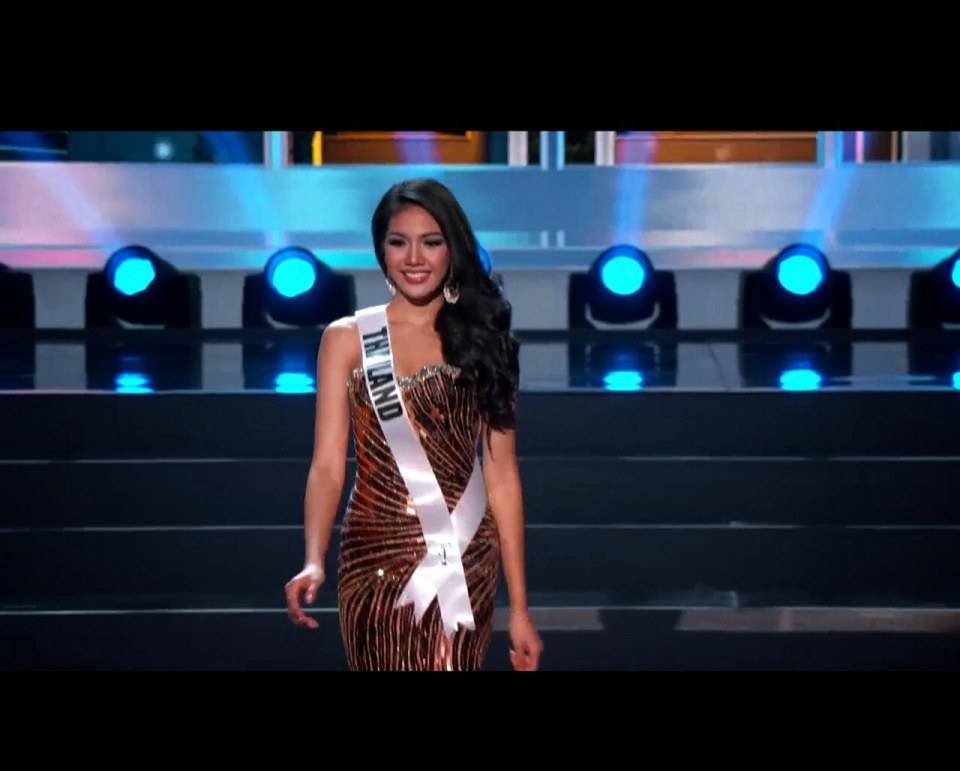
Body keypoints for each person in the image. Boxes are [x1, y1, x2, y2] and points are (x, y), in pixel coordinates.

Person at [284, 178, 542, 671]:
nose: (414, 258)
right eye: (399, 242)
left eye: (431, 241)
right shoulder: (347, 339)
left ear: (453, 249)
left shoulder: (484, 340)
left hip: (465, 559)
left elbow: (503, 479)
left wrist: (522, 610)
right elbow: (327, 466)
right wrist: (313, 557)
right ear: (382, 250)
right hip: (372, 557)